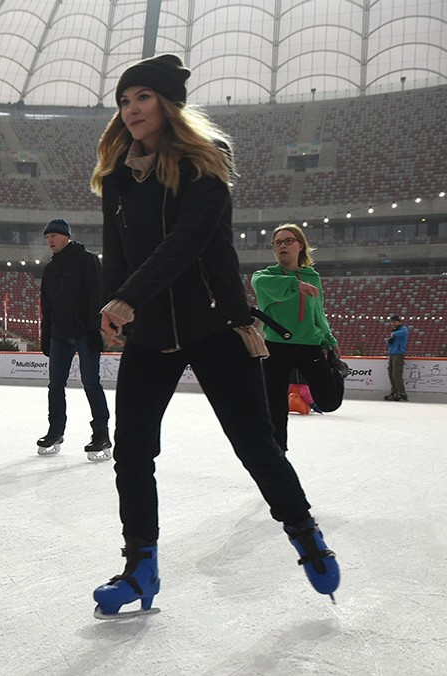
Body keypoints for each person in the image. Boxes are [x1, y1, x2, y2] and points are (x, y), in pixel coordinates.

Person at [89, 54, 338, 617]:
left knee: (256, 446)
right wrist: (113, 307)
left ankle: (305, 534)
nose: (130, 110)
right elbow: (118, 252)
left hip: (215, 324)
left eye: (142, 98)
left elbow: (190, 239)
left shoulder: (207, 161)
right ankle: (140, 567)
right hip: (151, 334)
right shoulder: (118, 175)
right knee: (131, 452)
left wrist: (130, 296)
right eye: (124, 101)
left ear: (167, 103)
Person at [251, 224, 345, 452]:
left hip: (309, 346)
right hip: (276, 347)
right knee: (275, 407)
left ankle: (337, 374)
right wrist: (295, 285)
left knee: (329, 402)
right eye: (277, 242)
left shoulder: (313, 277)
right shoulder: (265, 276)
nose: (282, 245)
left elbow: (317, 312)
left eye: (288, 241)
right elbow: (258, 284)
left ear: (300, 245)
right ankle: (277, 452)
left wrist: (329, 340)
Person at [35, 217, 110, 460]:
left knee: (91, 382)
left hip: (84, 334)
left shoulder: (87, 260)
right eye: (47, 237)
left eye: (53, 236)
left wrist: (95, 331)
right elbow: (47, 307)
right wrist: (46, 336)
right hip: (59, 335)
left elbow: (97, 296)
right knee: (55, 385)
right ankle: (55, 431)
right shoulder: (50, 269)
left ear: (66, 236)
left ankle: (101, 433)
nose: (50, 241)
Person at [385, 315, 409, 401]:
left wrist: (393, 334)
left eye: (394, 322)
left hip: (398, 354)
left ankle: (401, 392)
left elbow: (403, 333)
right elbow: (390, 342)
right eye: (392, 322)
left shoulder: (403, 329)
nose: (393, 324)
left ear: (398, 321)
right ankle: (394, 391)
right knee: (391, 373)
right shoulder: (395, 330)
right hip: (392, 353)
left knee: (397, 374)